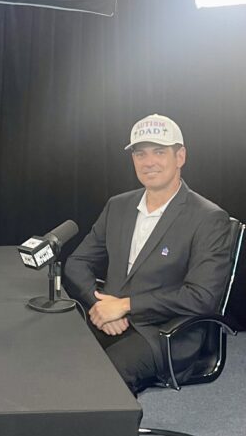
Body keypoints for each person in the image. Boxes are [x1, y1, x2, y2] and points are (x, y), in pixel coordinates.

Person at [64, 115, 232, 395]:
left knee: (102, 380)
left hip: (165, 334)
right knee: (52, 358)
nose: (148, 162)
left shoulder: (209, 218)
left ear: (180, 156)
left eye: (159, 152)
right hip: (108, 320)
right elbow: (77, 262)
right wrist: (101, 305)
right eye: (140, 154)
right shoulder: (118, 206)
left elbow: (201, 297)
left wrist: (127, 305)